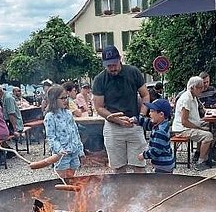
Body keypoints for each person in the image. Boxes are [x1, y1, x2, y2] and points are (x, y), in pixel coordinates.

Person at [92, 45, 150, 173]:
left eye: (114, 64)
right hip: (113, 128)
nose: (112, 68)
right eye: (109, 66)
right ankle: (121, 193)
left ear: (120, 59)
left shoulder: (133, 72)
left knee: (139, 165)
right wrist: (117, 120)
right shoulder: (99, 80)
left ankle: (142, 193)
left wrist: (141, 116)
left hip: (134, 125)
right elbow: (99, 107)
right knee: (118, 168)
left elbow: (145, 95)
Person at [172, 76, 215, 172]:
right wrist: (198, 127)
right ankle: (200, 162)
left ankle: (206, 153)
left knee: (215, 126)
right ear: (192, 87)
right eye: (199, 88)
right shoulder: (186, 99)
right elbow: (184, 121)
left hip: (191, 124)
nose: (201, 90)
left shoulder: (193, 96)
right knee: (208, 135)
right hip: (181, 129)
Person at [43, 85, 85, 178]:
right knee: (63, 179)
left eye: (66, 97)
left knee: (72, 178)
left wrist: (80, 149)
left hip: (74, 151)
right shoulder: (50, 116)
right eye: (62, 98)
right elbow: (51, 137)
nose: (65, 100)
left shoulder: (68, 114)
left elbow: (75, 132)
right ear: (53, 100)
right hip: (62, 154)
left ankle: (72, 193)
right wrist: (59, 149)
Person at [131, 99, 174, 174]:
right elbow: (147, 123)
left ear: (161, 114)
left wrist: (144, 155)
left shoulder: (160, 131)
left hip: (163, 166)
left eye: (152, 111)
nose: (149, 114)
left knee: (160, 183)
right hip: (163, 164)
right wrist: (135, 119)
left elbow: (155, 151)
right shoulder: (160, 123)